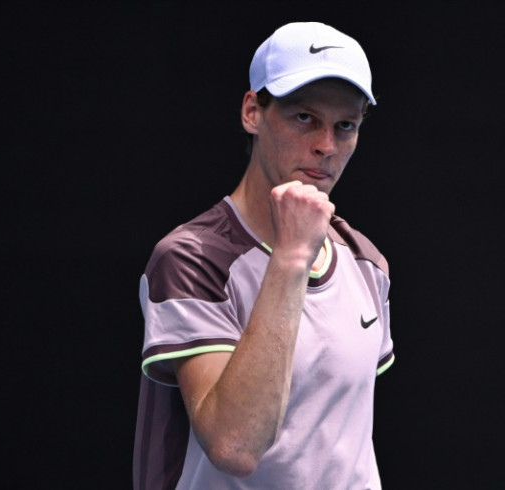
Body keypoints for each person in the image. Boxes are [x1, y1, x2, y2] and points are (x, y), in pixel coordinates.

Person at [133, 21, 394, 489]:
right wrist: (293, 256)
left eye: (345, 126)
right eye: (304, 118)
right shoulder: (191, 260)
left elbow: (340, 446)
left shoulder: (366, 264)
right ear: (253, 111)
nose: (326, 146)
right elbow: (235, 446)